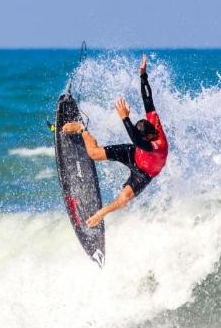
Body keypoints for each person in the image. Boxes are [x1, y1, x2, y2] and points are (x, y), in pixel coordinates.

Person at [62, 54, 169, 228]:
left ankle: (100, 214)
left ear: (150, 136)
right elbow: (148, 99)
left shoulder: (158, 145)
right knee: (93, 154)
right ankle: (81, 129)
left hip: (144, 173)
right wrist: (143, 75)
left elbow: (138, 141)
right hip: (134, 154)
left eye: (140, 137)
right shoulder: (151, 122)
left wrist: (125, 118)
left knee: (124, 199)